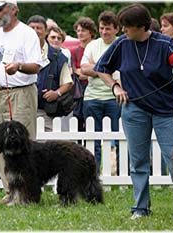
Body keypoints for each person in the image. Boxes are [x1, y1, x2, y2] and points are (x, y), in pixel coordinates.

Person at [94, 3, 173, 220]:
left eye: (127, 26)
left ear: (141, 27)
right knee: (138, 162)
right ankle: (141, 208)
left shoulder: (165, 43)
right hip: (134, 110)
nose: (122, 30)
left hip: (165, 111)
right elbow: (101, 68)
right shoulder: (122, 44)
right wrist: (115, 86)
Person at [0, 0, 43, 204]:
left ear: (13, 9)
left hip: (21, 93)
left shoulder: (26, 33)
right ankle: (10, 191)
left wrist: (19, 66)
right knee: (0, 144)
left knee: (23, 144)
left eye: (0, 8)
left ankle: (28, 192)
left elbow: (36, 66)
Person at [80, 10, 121, 175]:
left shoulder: (122, 44)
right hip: (92, 98)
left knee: (119, 139)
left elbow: (123, 71)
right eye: (102, 28)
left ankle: (121, 174)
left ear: (116, 29)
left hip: (116, 98)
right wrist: (107, 70)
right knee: (93, 140)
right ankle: (93, 174)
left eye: (108, 28)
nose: (104, 32)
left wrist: (95, 67)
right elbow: (83, 68)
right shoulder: (92, 45)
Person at [27, 15, 73, 132]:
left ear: (46, 31)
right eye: (32, 28)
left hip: (45, 112)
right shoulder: (20, 52)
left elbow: (67, 83)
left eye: (39, 28)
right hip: (23, 109)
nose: (35, 31)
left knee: (48, 146)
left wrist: (57, 93)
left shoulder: (58, 56)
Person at [71, 17, 97, 137]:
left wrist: (86, 71)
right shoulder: (74, 51)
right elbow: (75, 72)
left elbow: (98, 70)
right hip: (80, 91)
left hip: (95, 90)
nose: (80, 33)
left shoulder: (97, 48)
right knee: (78, 121)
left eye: (83, 30)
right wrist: (89, 70)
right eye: (78, 30)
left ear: (91, 32)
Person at [46, 25, 73, 131]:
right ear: (47, 38)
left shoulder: (65, 54)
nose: (56, 40)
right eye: (53, 37)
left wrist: (57, 93)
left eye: (59, 38)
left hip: (61, 100)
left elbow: (69, 80)